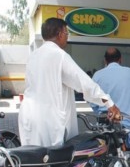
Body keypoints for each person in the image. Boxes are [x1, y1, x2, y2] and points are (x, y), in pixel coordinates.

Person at [18, 18, 120, 147]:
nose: (67, 37)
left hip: (28, 117)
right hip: (49, 121)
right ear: (60, 34)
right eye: (67, 33)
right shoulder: (59, 55)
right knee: (55, 162)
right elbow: (83, 83)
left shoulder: (33, 56)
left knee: (33, 161)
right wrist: (109, 103)